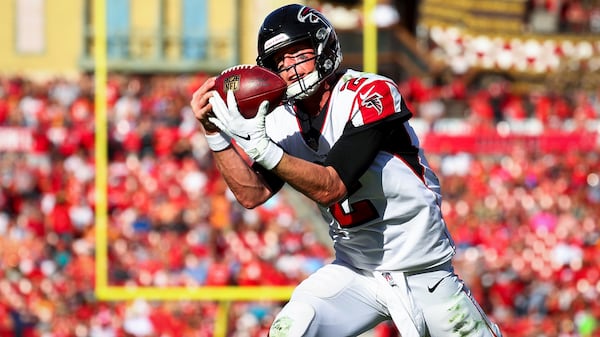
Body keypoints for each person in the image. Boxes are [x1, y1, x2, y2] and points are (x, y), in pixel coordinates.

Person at [190, 4, 503, 337]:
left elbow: (332, 186)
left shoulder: (371, 94)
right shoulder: (280, 119)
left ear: (323, 47)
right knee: (290, 328)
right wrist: (214, 133)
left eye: (298, 54)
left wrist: (264, 150)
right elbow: (251, 194)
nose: (289, 68)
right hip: (356, 272)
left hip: (424, 272)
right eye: (280, 62)